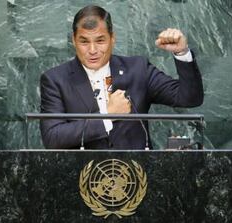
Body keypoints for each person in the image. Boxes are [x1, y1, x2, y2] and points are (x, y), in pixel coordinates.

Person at [40, 5, 203, 149]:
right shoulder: (55, 80)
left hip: (138, 177)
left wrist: (182, 53)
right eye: (84, 42)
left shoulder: (138, 69)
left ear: (112, 39)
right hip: (85, 178)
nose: (92, 50)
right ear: (74, 41)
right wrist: (107, 114)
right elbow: (53, 138)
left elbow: (189, 99)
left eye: (100, 41)